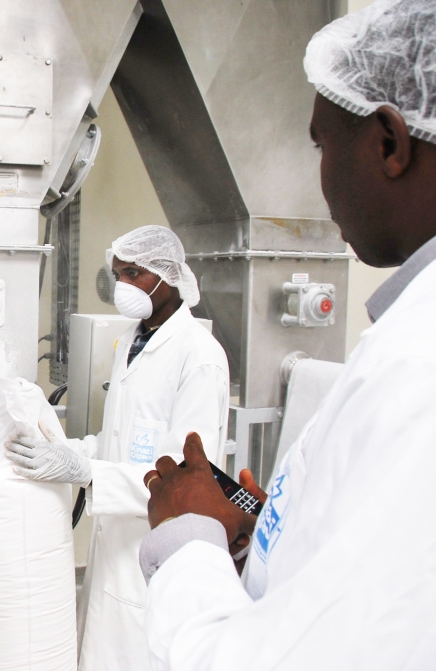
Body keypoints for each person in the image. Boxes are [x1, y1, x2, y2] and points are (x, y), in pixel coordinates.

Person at [138, 1, 436, 669]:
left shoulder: (419, 369)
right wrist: (279, 532)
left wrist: (191, 538)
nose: (319, 177)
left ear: (389, 143)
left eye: (321, 143)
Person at [5, 226, 229, 671]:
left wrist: (85, 471)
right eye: (117, 275)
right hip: (113, 548)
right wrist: (63, 447)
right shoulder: (131, 340)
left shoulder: (198, 355)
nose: (123, 286)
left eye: (134, 273)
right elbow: (119, 441)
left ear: (169, 277)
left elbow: (188, 476)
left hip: (154, 546)